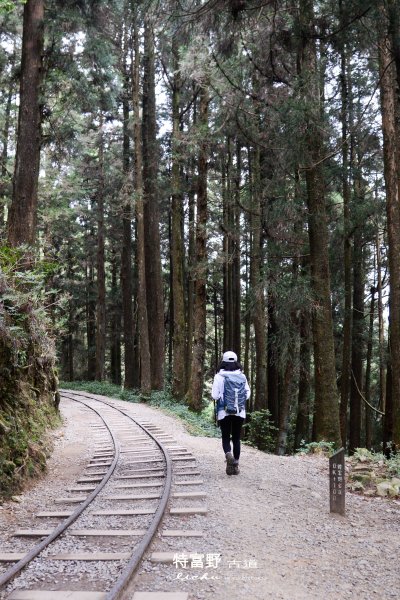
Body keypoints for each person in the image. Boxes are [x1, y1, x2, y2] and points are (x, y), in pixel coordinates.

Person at [212, 350, 250, 475]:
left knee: (225, 437)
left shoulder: (219, 376)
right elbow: (247, 394)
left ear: (223, 361)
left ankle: (228, 455)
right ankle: (235, 466)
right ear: (236, 361)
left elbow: (215, 395)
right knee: (237, 438)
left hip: (224, 412)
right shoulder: (242, 376)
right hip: (239, 412)